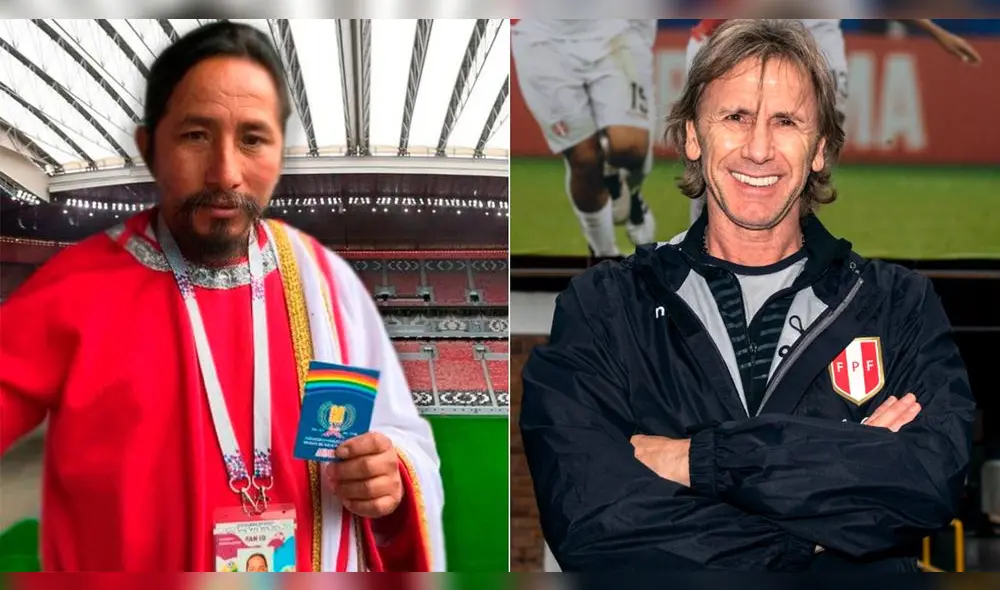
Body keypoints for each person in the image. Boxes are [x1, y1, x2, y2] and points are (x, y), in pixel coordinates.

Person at [520, 19, 975, 572]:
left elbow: (929, 483)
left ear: (820, 150)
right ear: (692, 135)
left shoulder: (897, 304)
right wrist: (816, 531)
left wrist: (698, 462)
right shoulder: (603, 308)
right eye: (735, 117)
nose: (759, 149)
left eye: (786, 121)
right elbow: (590, 526)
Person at [0, 22, 445, 572]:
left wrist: (389, 476)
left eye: (253, 139)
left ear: (281, 151)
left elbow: (402, 439)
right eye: (196, 136)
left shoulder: (327, 286)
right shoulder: (76, 288)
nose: (226, 173)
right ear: (149, 147)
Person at [684, 18, 982, 225]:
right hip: (760, 35)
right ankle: (703, 222)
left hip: (823, 42)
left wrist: (937, 33)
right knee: (735, 135)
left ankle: (795, 222)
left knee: (824, 131)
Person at [512, 19, 658, 257]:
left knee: (630, 148)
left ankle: (631, 193)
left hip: (616, 26)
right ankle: (604, 255)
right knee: (583, 159)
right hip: (544, 36)